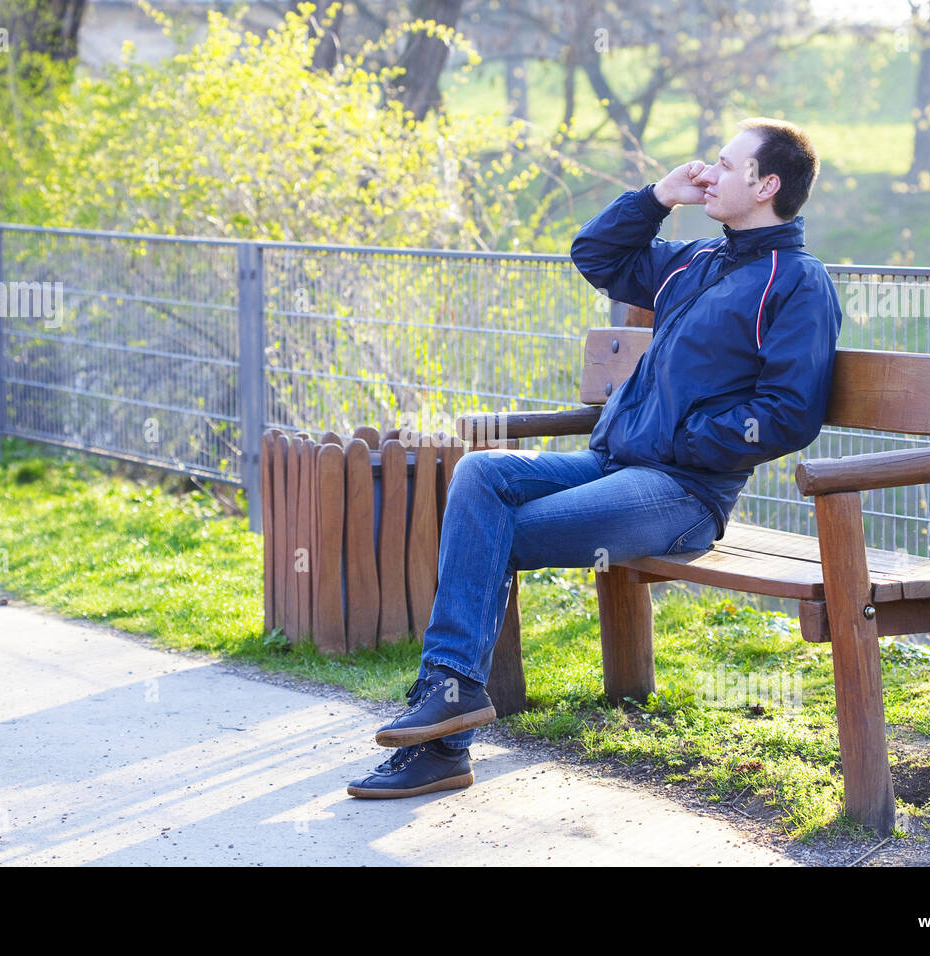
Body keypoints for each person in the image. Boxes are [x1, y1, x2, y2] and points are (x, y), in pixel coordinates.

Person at [346, 117, 843, 799]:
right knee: (481, 473)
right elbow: (597, 257)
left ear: (767, 184)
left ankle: (444, 734)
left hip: (683, 495)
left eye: (727, 165)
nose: (711, 172)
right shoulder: (696, 261)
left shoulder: (797, 282)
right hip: (612, 466)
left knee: (493, 536)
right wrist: (657, 196)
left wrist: (684, 440)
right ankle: (450, 701)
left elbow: (788, 414)